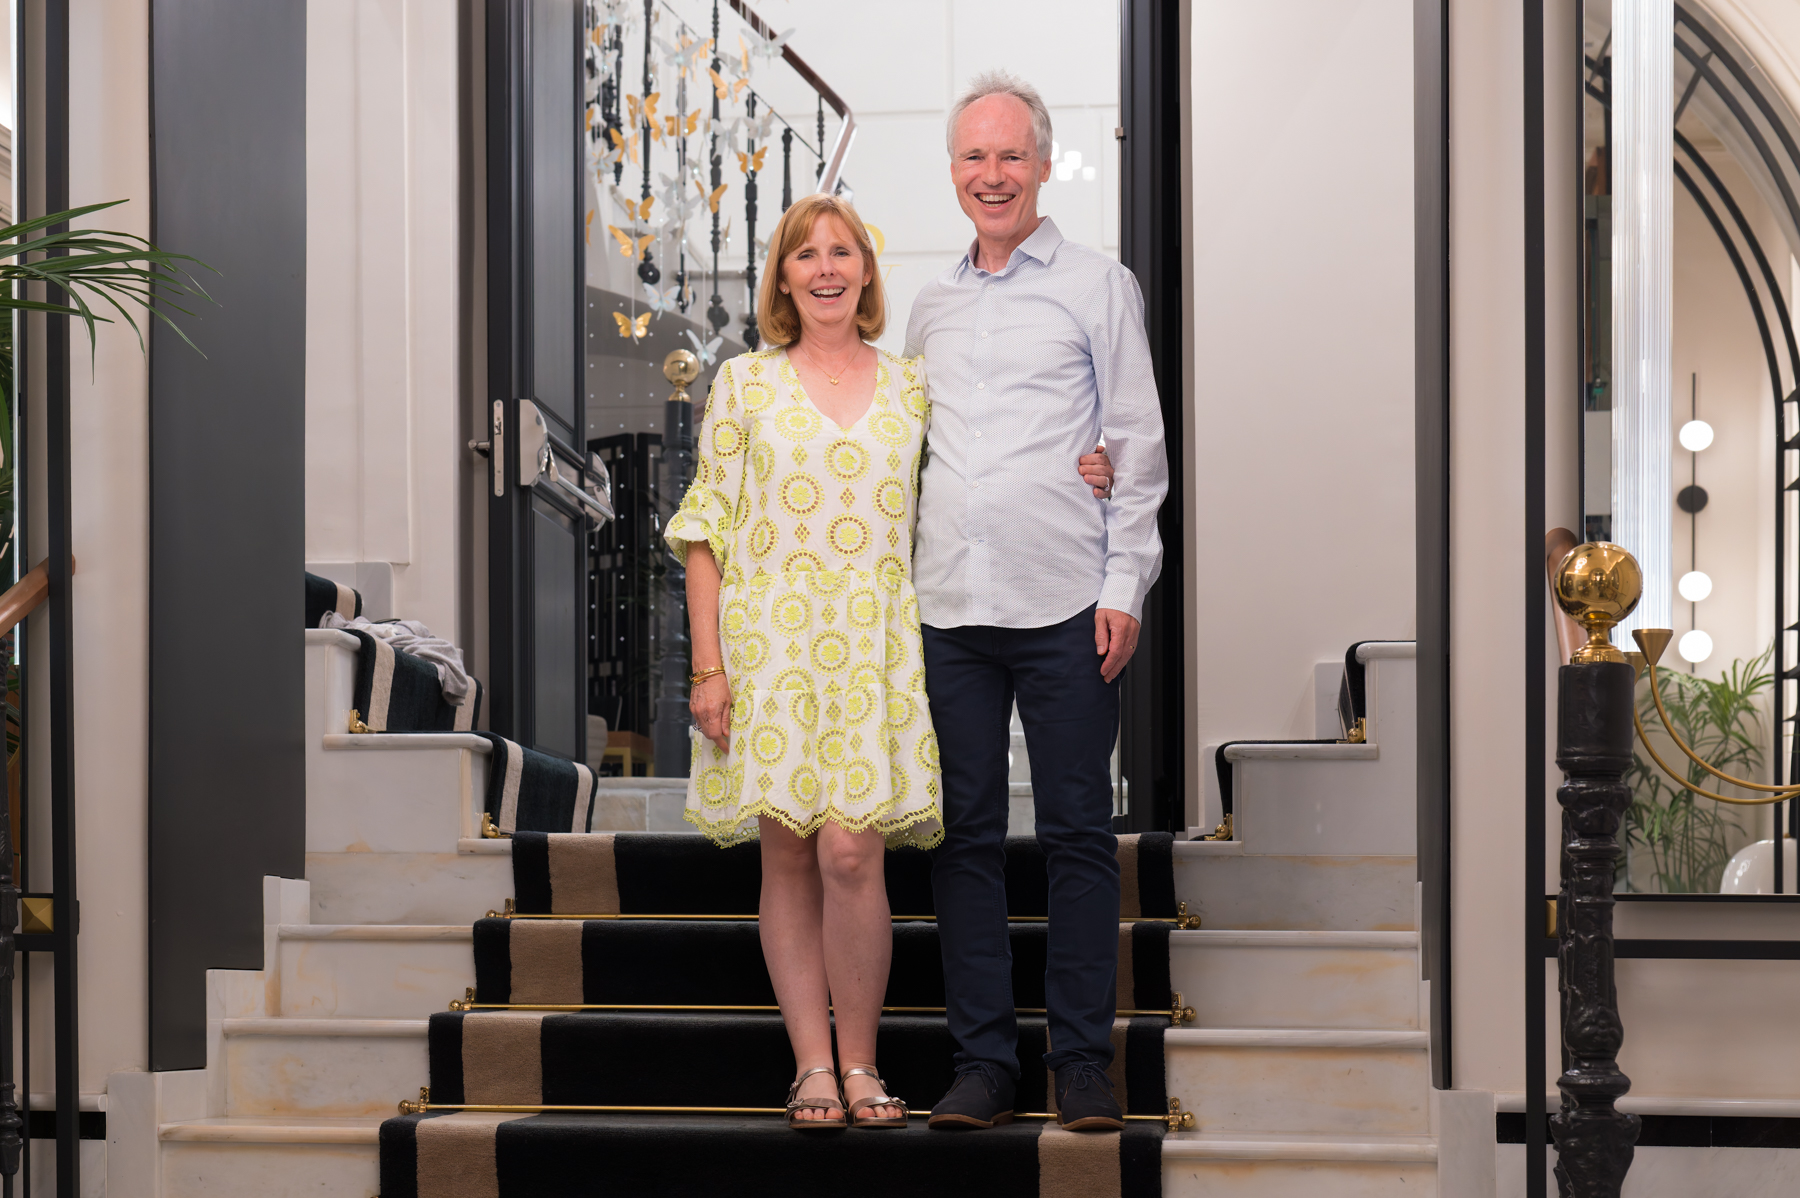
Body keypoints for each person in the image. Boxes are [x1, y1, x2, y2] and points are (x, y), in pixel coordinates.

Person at [665, 192, 1120, 1131]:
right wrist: (708, 666)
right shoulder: (745, 385)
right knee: (788, 852)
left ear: (868, 270)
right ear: (784, 277)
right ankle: (812, 1069)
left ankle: (864, 1061)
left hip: (874, 646)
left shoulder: (915, 384)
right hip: (771, 646)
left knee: (851, 848)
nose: (826, 269)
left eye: (843, 252)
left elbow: (981, 462)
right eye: (806, 255)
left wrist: (1093, 463)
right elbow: (703, 529)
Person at [908, 71, 1169, 1132]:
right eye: (974, 157)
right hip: (950, 613)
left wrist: (1124, 584)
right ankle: (983, 1064)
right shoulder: (928, 305)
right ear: (954, 173)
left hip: (1068, 604)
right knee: (962, 838)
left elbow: (1137, 445)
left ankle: (1081, 1064)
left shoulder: (1100, 285)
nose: (992, 175)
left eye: (1010, 155)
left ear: (1044, 163)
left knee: (1073, 835)